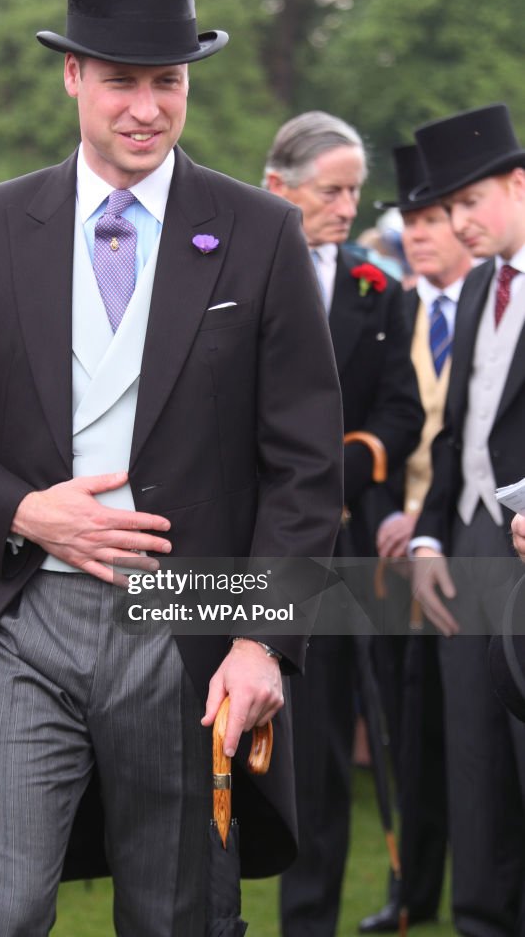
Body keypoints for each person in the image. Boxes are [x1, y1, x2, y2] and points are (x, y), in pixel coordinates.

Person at [0, 0, 344, 937]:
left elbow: (304, 465)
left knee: (175, 914)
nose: (146, 107)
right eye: (121, 80)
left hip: (188, 626)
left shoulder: (259, 233)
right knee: (1, 911)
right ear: (73, 76)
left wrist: (264, 636)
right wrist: (22, 509)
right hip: (17, 620)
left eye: (166, 82)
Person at [264, 112, 424, 937]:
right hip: (234, 541)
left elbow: (399, 412)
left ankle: (307, 923)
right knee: (202, 745)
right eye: (331, 190)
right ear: (276, 188)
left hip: (329, 547)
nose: (347, 206)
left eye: (354, 191)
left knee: (321, 752)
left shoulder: (374, 288)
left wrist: (339, 470)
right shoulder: (223, 270)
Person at [410, 103, 525, 937]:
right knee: (473, 758)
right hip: (464, 544)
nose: (456, 224)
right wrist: (424, 534)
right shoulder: (481, 281)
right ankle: (478, 922)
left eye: (469, 203)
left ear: (518, 183)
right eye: (446, 210)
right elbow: (456, 429)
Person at [359, 143, 473, 933]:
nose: (418, 235)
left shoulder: (502, 306)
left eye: (431, 219)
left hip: (482, 549)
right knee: (411, 726)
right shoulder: (393, 308)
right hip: (397, 553)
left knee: (483, 733)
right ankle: (412, 892)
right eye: (409, 222)